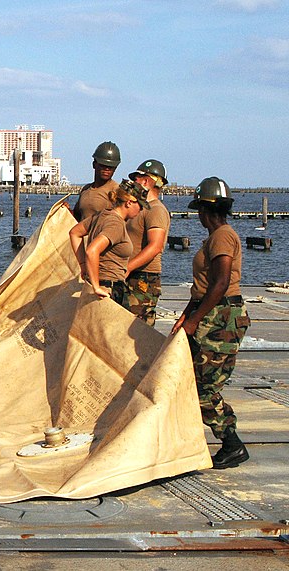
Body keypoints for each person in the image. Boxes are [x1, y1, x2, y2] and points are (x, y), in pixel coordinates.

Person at [171, 177, 250, 469]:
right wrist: (186, 315)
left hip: (221, 319)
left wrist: (195, 321)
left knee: (203, 387)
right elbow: (203, 286)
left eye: (200, 212)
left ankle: (232, 443)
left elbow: (220, 283)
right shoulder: (214, 237)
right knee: (191, 380)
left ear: (205, 211)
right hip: (210, 313)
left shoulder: (222, 236)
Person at [69, 179, 150, 304]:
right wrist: (96, 286)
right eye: (140, 206)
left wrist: (83, 266)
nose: (141, 211)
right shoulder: (115, 224)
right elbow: (92, 250)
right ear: (129, 203)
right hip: (109, 288)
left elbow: (75, 233)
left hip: (99, 286)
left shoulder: (102, 215)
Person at [123, 160, 171, 325]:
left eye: (137, 178)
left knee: (137, 329)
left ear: (146, 181)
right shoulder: (140, 208)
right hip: (131, 275)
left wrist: (128, 267)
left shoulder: (156, 210)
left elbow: (155, 246)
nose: (134, 182)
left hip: (142, 279)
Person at [73, 141, 121, 221]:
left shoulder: (117, 190)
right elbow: (77, 216)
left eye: (110, 167)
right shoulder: (86, 189)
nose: (107, 169)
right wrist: (65, 210)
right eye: (103, 165)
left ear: (115, 168)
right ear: (94, 164)